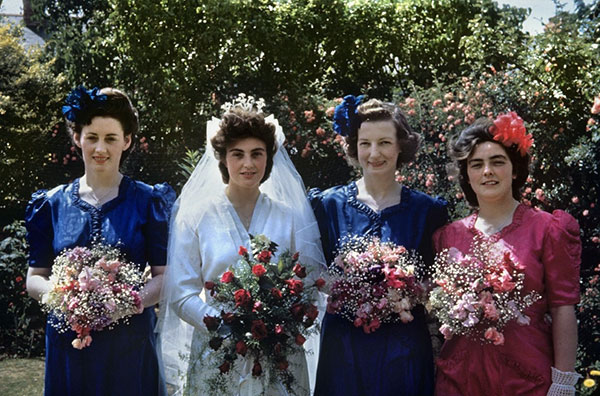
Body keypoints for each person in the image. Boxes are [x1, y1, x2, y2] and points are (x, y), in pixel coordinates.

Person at [158, 105, 326, 395]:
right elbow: (181, 293)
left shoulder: (290, 215)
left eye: (256, 153)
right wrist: (227, 327)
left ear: (268, 158)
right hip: (218, 355)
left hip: (278, 354)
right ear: (223, 159)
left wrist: (278, 318)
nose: (248, 164)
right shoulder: (196, 215)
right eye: (238, 154)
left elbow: (309, 282)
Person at [25, 86, 175, 395]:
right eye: (92, 137)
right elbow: (35, 278)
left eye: (110, 138)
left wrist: (125, 304)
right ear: (77, 138)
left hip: (129, 345)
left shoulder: (149, 202)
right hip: (69, 345)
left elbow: (164, 277)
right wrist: (64, 298)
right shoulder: (50, 205)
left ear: (127, 141)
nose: (100, 149)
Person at [432, 113, 581, 395]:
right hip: (460, 379)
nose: (487, 171)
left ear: (514, 170)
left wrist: (563, 382)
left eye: (497, 162)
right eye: (477, 165)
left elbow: (563, 308)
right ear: (468, 176)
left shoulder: (547, 229)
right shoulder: (447, 236)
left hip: (526, 377)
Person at [309, 96, 448, 396]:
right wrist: (349, 287)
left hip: (404, 347)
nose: (374, 153)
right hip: (344, 346)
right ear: (354, 147)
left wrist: (406, 289)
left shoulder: (428, 211)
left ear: (401, 146)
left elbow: (438, 282)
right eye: (365, 143)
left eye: (384, 142)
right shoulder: (327, 205)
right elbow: (313, 274)